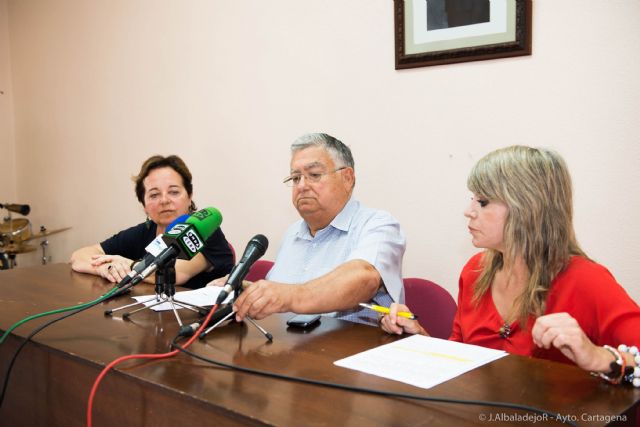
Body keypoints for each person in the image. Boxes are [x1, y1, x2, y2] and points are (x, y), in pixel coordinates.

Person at [381, 146, 640, 384]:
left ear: (526, 209)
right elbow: (461, 361)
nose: (468, 211)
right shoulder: (475, 271)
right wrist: (418, 339)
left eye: (482, 202)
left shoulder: (586, 280)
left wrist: (597, 357)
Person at [229, 133, 406, 325]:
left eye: (314, 175)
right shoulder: (292, 233)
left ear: (347, 178)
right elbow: (283, 294)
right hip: (290, 347)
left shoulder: (378, 224)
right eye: (295, 178)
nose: (302, 186)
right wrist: (247, 291)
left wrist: (288, 296)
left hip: (351, 351)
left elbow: (364, 278)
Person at [70, 155, 234, 289]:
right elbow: (78, 257)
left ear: (189, 197)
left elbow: (175, 274)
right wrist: (105, 268)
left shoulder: (204, 229)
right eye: (154, 195)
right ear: (144, 206)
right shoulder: (145, 231)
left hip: (208, 323)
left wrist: (126, 264)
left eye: (174, 192)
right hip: (155, 320)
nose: (164, 200)